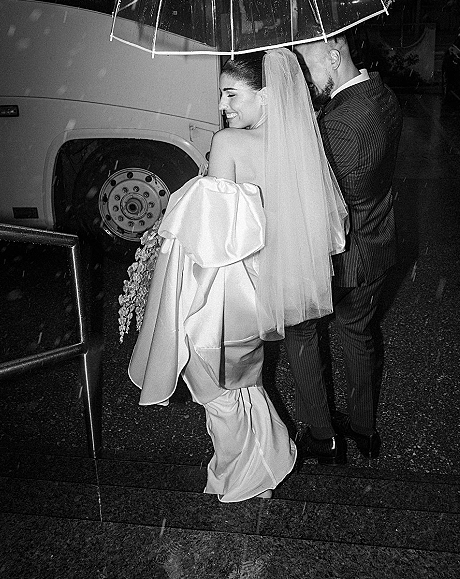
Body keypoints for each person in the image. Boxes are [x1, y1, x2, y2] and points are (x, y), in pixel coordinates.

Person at [127, 48, 348, 501]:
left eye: (232, 94)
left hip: (225, 291)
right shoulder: (300, 146)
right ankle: (265, 463)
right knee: (242, 382)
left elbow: (213, 238)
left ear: (266, 95)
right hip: (265, 290)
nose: (222, 105)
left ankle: (244, 473)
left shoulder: (228, 143)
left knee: (214, 387)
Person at [291, 34, 402, 460]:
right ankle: (364, 430)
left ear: (334, 58)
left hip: (341, 256)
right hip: (377, 242)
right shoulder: (383, 94)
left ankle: (323, 436)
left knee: (300, 329)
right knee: (358, 332)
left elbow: (316, 196)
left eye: (307, 67)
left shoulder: (338, 125)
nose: (304, 78)